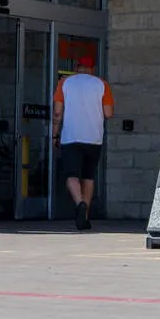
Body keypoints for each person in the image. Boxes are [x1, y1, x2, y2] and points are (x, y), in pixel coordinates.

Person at [53, 60, 113, 230]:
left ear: (76, 68)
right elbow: (108, 113)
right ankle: (84, 218)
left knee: (71, 175)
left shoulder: (64, 83)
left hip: (70, 137)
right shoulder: (102, 84)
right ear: (92, 69)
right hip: (94, 138)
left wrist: (54, 134)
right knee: (88, 176)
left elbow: (57, 112)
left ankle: (79, 203)